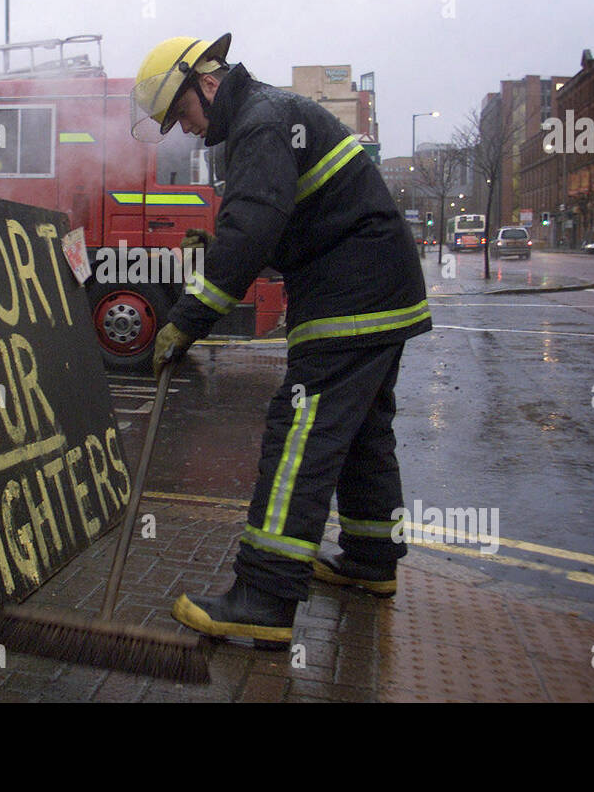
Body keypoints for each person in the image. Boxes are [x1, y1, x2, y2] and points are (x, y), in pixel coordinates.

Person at [131, 34, 432, 648]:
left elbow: (255, 225)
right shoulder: (269, 114)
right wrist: (223, 253)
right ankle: (372, 563)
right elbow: (281, 225)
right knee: (363, 429)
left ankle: (263, 598)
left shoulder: (259, 122)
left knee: (299, 433)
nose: (185, 131)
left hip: (351, 296)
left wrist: (187, 319)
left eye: (181, 115)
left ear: (205, 83)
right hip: (378, 288)